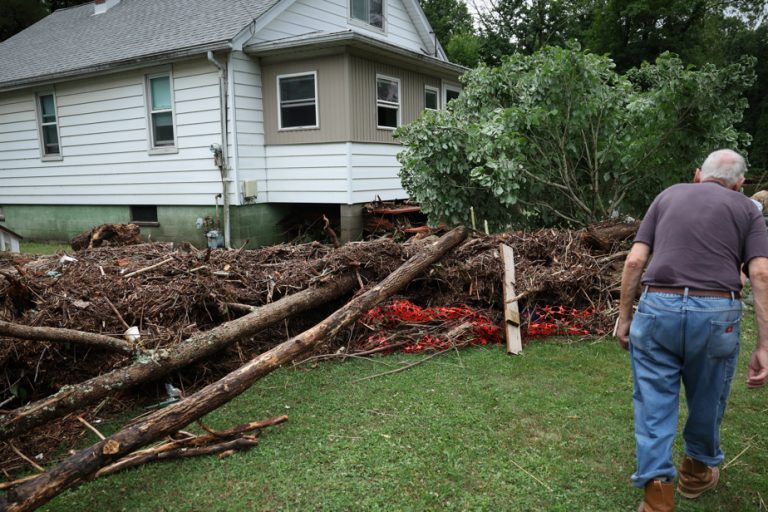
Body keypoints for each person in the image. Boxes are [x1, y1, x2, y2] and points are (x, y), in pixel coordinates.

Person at [616, 149, 768, 512]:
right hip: (716, 312)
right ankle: (695, 473)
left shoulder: (667, 196)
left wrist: (624, 317)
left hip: (657, 308)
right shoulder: (748, 209)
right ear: (740, 184)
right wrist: (764, 344)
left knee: (653, 400)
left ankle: (656, 498)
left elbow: (636, 259)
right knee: (708, 394)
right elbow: (760, 274)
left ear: (698, 174)